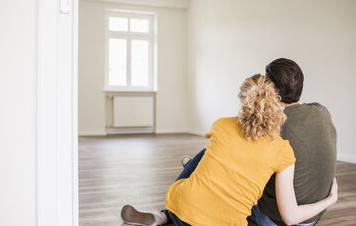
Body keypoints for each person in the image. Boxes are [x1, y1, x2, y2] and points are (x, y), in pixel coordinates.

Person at [120, 74, 338, 226]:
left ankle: (163, 216)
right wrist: (330, 199)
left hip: (181, 211)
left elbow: (240, 139)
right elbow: (290, 216)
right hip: (225, 222)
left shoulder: (221, 124)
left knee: (208, 152)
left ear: (244, 102)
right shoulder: (283, 150)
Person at [178, 58, 337, 226]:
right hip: (312, 218)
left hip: (275, 219)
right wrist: (331, 198)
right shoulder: (321, 111)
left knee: (218, 160)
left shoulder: (271, 129)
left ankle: (186, 189)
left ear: (269, 89)